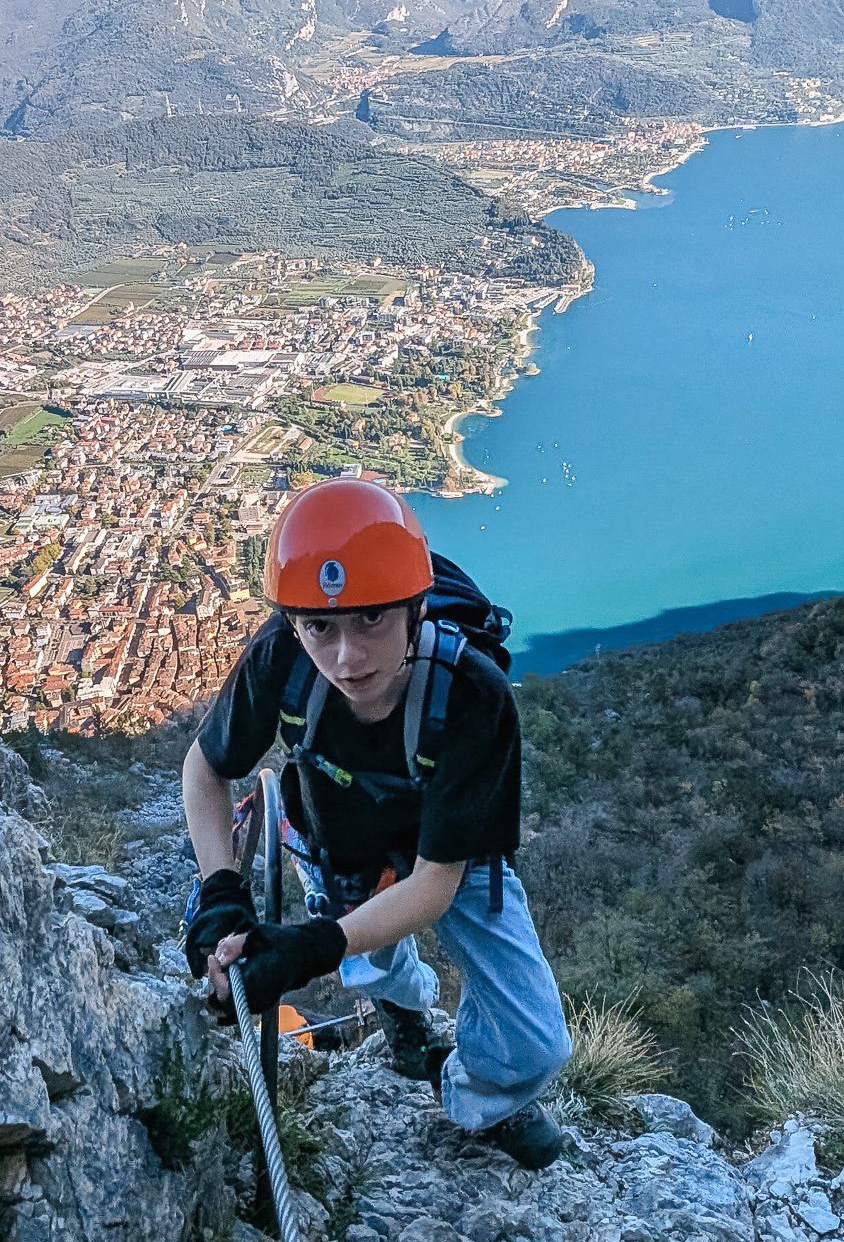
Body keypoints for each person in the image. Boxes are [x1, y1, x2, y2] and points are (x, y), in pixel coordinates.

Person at [181, 477, 574, 1170]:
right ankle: (405, 1017)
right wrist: (219, 890)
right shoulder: (283, 657)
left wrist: (313, 945)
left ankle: (479, 1091)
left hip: (450, 853)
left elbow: (433, 885)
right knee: (376, 968)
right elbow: (205, 770)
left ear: (414, 608)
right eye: (320, 627)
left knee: (536, 1037)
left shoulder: (472, 693)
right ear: (295, 623)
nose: (346, 658)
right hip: (339, 846)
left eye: (371, 620)